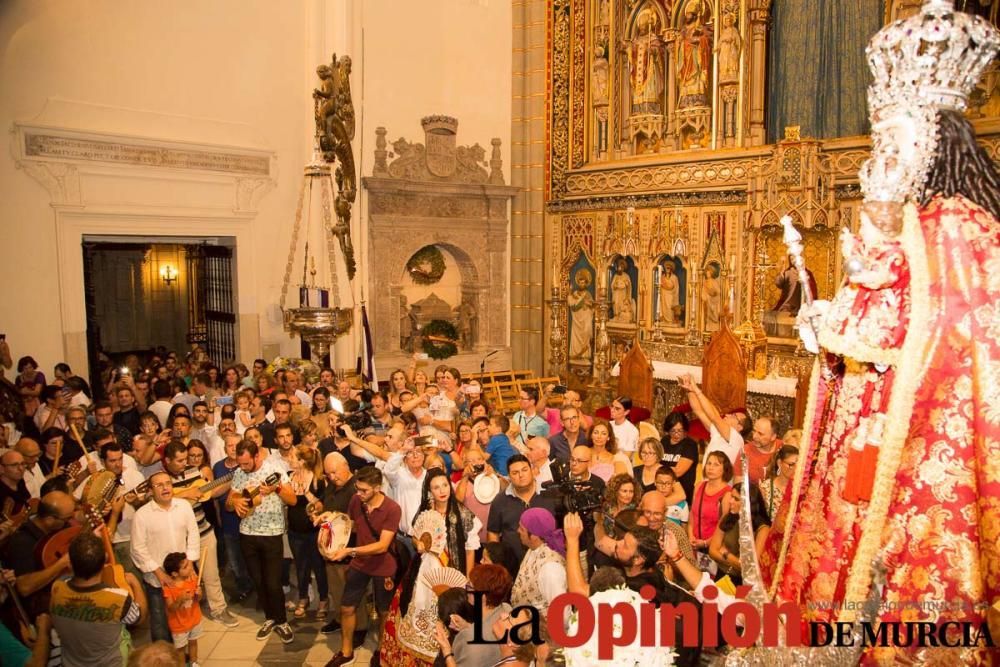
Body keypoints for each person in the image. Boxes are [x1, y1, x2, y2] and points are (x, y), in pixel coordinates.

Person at [759, 8, 1000, 661]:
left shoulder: (958, 226)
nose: (879, 162)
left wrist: (838, 322)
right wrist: (830, 321)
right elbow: (877, 314)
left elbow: (943, 323)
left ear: (934, 142)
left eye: (894, 144)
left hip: (928, 446)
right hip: (875, 440)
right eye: (879, 146)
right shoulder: (909, 229)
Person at [325, 466, 401, 667]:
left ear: (377, 487)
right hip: (360, 563)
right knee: (347, 607)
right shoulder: (356, 501)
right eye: (357, 489)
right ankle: (346, 651)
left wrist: (350, 551)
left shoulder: (393, 509)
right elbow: (351, 524)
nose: (359, 494)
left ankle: (381, 650)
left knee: (384, 612)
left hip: (383, 565)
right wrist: (329, 520)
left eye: (364, 490)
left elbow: (382, 546)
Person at [226, 440, 296, 643]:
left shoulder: (274, 470)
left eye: (247, 463)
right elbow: (230, 504)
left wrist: (276, 490)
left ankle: (282, 621)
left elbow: (292, 500)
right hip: (247, 533)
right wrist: (236, 501)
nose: (243, 467)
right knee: (258, 580)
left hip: (271, 533)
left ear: (257, 456)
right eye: (241, 463)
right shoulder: (239, 473)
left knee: (273, 582)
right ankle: (270, 618)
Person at [50, 532, 146, 667]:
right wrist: (135, 583)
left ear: (70, 564)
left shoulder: (57, 589)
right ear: (104, 563)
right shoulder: (118, 599)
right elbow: (139, 617)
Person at [379, 509, 457, 666]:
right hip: (420, 569)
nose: (441, 490)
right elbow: (414, 535)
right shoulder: (424, 510)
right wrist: (419, 544)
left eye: (444, 485)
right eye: (435, 487)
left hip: (442, 567)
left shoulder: (458, 513)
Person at [130, 471, 200, 643]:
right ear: (151, 491)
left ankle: (187, 658)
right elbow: (138, 548)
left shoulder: (183, 506)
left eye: (168, 483)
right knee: (160, 621)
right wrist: (159, 573)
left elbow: (193, 534)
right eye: (159, 485)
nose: (165, 488)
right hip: (157, 579)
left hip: (182, 576)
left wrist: (189, 563)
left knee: (185, 617)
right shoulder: (142, 515)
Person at [286, 445, 328, 619]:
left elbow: (321, 503)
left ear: (301, 461)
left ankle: (324, 600)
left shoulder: (318, 479)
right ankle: (303, 598)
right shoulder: (289, 477)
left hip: (313, 531)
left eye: (292, 456)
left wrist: (305, 490)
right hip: (295, 531)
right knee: (300, 567)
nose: (289, 458)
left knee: (318, 567)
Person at [679, 373, 749, 474]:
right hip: (707, 482)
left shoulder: (736, 439)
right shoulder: (719, 432)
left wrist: (697, 390)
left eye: (733, 416)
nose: (728, 415)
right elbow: (698, 411)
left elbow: (714, 417)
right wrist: (690, 389)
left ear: (740, 427)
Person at [687, 451, 732, 574]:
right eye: (709, 463)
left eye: (716, 464)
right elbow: (692, 514)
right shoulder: (699, 486)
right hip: (694, 544)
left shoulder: (727, 493)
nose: (711, 467)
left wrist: (706, 543)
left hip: (713, 548)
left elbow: (725, 527)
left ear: (725, 469)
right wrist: (691, 536)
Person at [160, 552, 202, 667]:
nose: (190, 568)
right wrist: (179, 599)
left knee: (193, 642)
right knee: (180, 649)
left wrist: (199, 594)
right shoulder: (168, 587)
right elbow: (171, 608)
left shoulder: (193, 579)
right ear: (174, 573)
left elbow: (198, 599)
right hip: (178, 625)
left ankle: (194, 662)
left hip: (194, 619)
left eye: (188, 564)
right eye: (185, 567)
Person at [660, 412, 699, 502]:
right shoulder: (664, 441)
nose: (676, 434)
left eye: (680, 430)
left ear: (685, 430)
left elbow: (678, 471)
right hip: (663, 492)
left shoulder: (690, 445)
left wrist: (659, 469)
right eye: (673, 431)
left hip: (683, 493)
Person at [759, 444, 798, 521]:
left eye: (798, 465)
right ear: (779, 463)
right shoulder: (765, 488)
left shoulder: (799, 489)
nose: (795, 469)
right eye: (791, 464)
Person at [567, 269, 595, 361]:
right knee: (576, 337)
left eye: (583, 283)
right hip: (577, 320)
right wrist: (571, 294)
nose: (581, 285)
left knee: (586, 333)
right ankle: (575, 354)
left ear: (586, 284)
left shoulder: (588, 294)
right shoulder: (575, 293)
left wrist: (586, 303)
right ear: (578, 283)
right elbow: (573, 305)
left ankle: (585, 355)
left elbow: (592, 305)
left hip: (586, 318)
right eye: (580, 283)